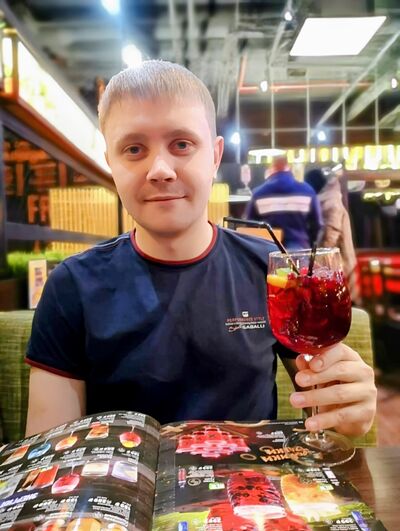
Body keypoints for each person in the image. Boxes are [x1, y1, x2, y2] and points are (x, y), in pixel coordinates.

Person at [25, 60, 376, 439]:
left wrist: (348, 409)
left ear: (215, 156)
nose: (160, 169)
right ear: (110, 162)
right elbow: (48, 449)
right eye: (134, 149)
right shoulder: (71, 286)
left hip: (251, 475)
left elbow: (327, 401)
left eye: (182, 144)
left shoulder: (273, 273)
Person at [305, 167, 360, 303]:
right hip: (334, 267)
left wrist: (314, 265)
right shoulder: (327, 200)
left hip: (338, 267)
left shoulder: (331, 203)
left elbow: (329, 238)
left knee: (340, 305)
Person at [244, 154, 323, 250]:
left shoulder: (258, 194)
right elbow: (317, 224)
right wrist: (309, 243)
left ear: (272, 168)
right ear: (289, 167)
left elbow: (250, 225)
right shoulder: (307, 191)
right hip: (300, 249)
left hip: (268, 250)